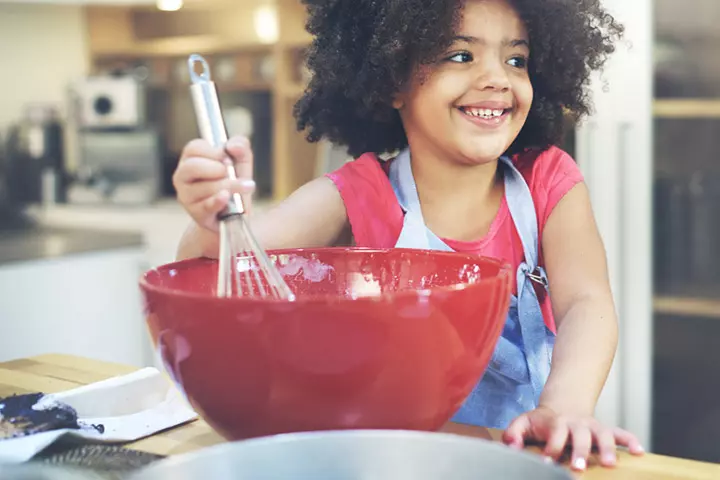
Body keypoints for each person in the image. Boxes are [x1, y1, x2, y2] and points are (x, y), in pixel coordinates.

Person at [172, 0, 645, 471]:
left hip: (527, 458)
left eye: (515, 59)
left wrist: (564, 407)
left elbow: (586, 302)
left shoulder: (548, 181)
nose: (498, 78)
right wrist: (217, 218)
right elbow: (225, 261)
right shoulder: (357, 194)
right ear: (393, 79)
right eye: (461, 56)